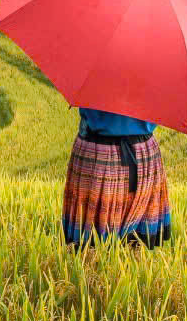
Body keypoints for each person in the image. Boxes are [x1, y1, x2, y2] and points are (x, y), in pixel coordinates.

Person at [61, 106, 171, 249]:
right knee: (136, 246)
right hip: (141, 153)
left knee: (90, 243)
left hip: (98, 153)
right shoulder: (158, 82)